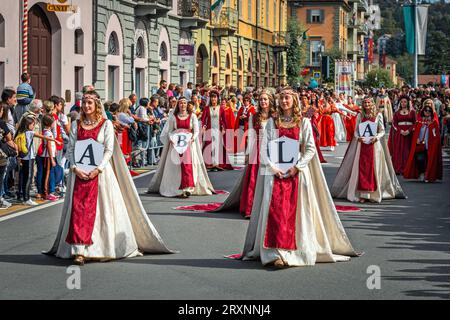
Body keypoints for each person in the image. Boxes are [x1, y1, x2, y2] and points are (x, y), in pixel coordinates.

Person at [44, 90, 174, 265]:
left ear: (96, 104)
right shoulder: (76, 124)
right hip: (79, 175)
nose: (86, 106)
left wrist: (98, 169)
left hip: (100, 174)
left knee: (101, 211)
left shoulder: (105, 124)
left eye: (90, 103)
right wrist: (75, 168)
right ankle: (78, 250)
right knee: (79, 210)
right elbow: (71, 149)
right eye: (84, 102)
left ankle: (99, 247)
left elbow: (108, 150)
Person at [239, 88, 359, 267]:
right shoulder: (272, 122)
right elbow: (264, 148)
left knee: (297, 214)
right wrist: (272, 168)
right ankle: (275, 253)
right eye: (281, 98)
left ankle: (294, 252)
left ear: (294, 100)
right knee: (275, 211)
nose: (284, 101)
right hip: (275, 174)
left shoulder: (303, 122)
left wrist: (298, 167)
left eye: (287, 98)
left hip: (297, 174)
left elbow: (310, 148)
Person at [331, 97, 405, 203]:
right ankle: (362, 194)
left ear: (372, 104)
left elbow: (382, 130)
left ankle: (373, 194)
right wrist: (358, 137)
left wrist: (376, 137)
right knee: (362, 169)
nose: (366, 104)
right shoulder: (360, 116)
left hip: (374, 145)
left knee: (374, 169)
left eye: (369, 102)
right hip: (362, 145)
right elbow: (356, 130)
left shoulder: (378, 115)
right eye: (365, 102)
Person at [147, 97, 214, 198]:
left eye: (184, 103)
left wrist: (192, 139)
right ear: (178, 105)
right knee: (175, 166)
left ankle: (187, 188)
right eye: (181, 103)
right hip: (175, 145)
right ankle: (175, 188)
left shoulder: (192, 116)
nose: (183, 105)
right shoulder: (173, 117)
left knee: (188, 165)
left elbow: (196, 131)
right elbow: (169, 130)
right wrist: (171, 139)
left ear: (187, 105)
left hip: (188, 145)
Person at [15, 115, 60, 205]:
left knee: (24, 177)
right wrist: (55, 140)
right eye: (32, 125)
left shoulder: (21, 132)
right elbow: (44, 137)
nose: (33, 127)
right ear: (28, 125)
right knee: (28, 178)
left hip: (23, 157)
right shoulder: (30, 133)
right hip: (29, 157)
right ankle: (27, 199)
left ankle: (23, 196)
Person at [403, 99, 443, 183]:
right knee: (420, 158)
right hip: (421, 144)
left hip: (430, 145)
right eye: (426, 110)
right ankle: (422, 172)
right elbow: (415, 131)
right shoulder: (419, 120)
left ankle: (428, 175)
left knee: (431, 160)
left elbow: (436, 134)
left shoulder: (434, 121)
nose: (427, 111)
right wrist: (416, 139)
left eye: (429, 110)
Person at [200, 90, 233, 170]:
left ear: (218, 98)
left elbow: (224, 120)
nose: (213, 99)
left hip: (218, 130)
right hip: (209, 130)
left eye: (215, 97)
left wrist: (224, 128)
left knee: (218, 146)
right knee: (209, 145)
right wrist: (203, 127)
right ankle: (209, 164)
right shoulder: (207, 108)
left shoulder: (221, 109)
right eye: (212, 97)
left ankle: (217, 164)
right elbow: (203, 119)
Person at [388, 96, 416, 175]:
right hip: (399, 134)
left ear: (408, 103)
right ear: (400, 103)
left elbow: (415, 123)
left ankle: (407, 168)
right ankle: (398, 168)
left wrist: (409, 130)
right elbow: (394, 124)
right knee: (399, 150)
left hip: (409, 134)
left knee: (408, 150)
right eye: (402, 102)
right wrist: (400, 131)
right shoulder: (396, 113)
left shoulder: (412, 112)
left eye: (405, 102)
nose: (403, 103)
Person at [35, 114, 59, 201]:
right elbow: (48, 146)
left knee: (46, 174)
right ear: (49, 123)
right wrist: (52, 159)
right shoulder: (48, 133)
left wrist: (55, 150)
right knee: (46, 175)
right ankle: (45, 193)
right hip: (47, 156)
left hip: (48, 155)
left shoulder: (47, 132)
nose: (54, 124)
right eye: (53, 122)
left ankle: (44, 192)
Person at [0, 102, 17, 209]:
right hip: (1, 155)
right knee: (1, 176)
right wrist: (16, 148)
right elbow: (9, 138)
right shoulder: (1, 123)